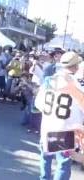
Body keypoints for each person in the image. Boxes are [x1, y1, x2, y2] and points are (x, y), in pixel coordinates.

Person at [35, 52, 84, 180]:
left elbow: (38, 104)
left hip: (48, 126)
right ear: (76, 66)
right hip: (66, 129)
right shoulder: (78, 84)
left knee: (46, 159)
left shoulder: (48, 80)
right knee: (63, 163)